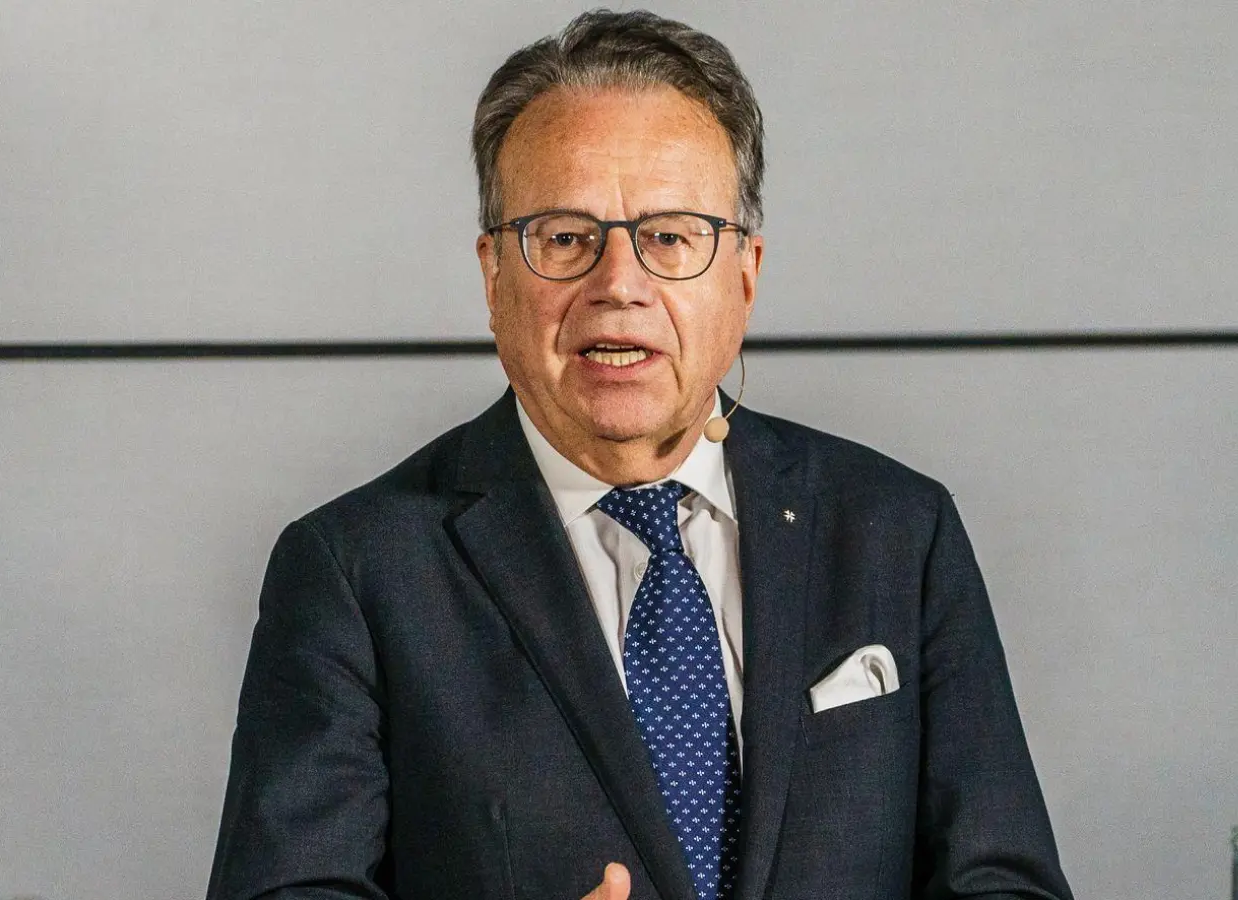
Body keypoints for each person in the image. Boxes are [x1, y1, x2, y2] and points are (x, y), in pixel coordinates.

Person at [207, 9, 1073, 900]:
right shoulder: (358, 571)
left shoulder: (896, 532)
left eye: (668, 236)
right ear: (493, 276)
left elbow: (1004, 881)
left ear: (744, 272)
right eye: (565, 238)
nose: (619, 284)